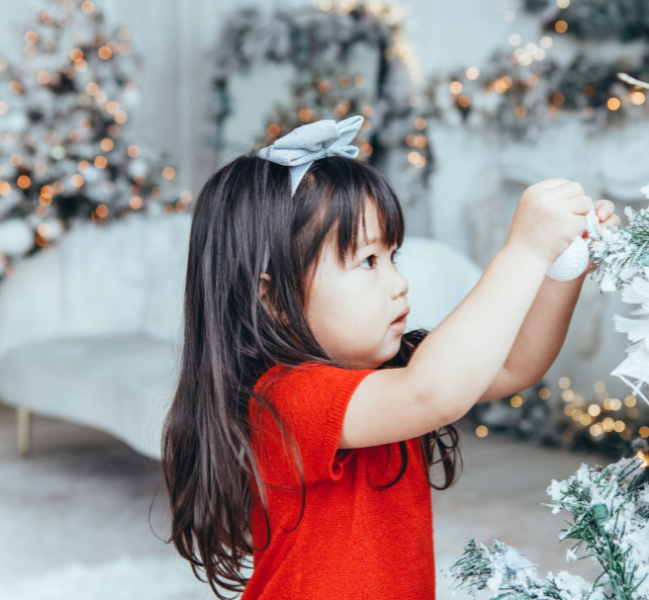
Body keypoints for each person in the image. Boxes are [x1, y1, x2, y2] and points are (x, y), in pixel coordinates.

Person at [161, 116, 620, 599]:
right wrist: (523, 250)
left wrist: (562, 265)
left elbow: (514, 363)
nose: (399, 283)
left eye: (393, 256)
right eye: (368, 261)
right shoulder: (284, 396)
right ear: (274, 299)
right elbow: (432, 393)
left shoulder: (391, 373)